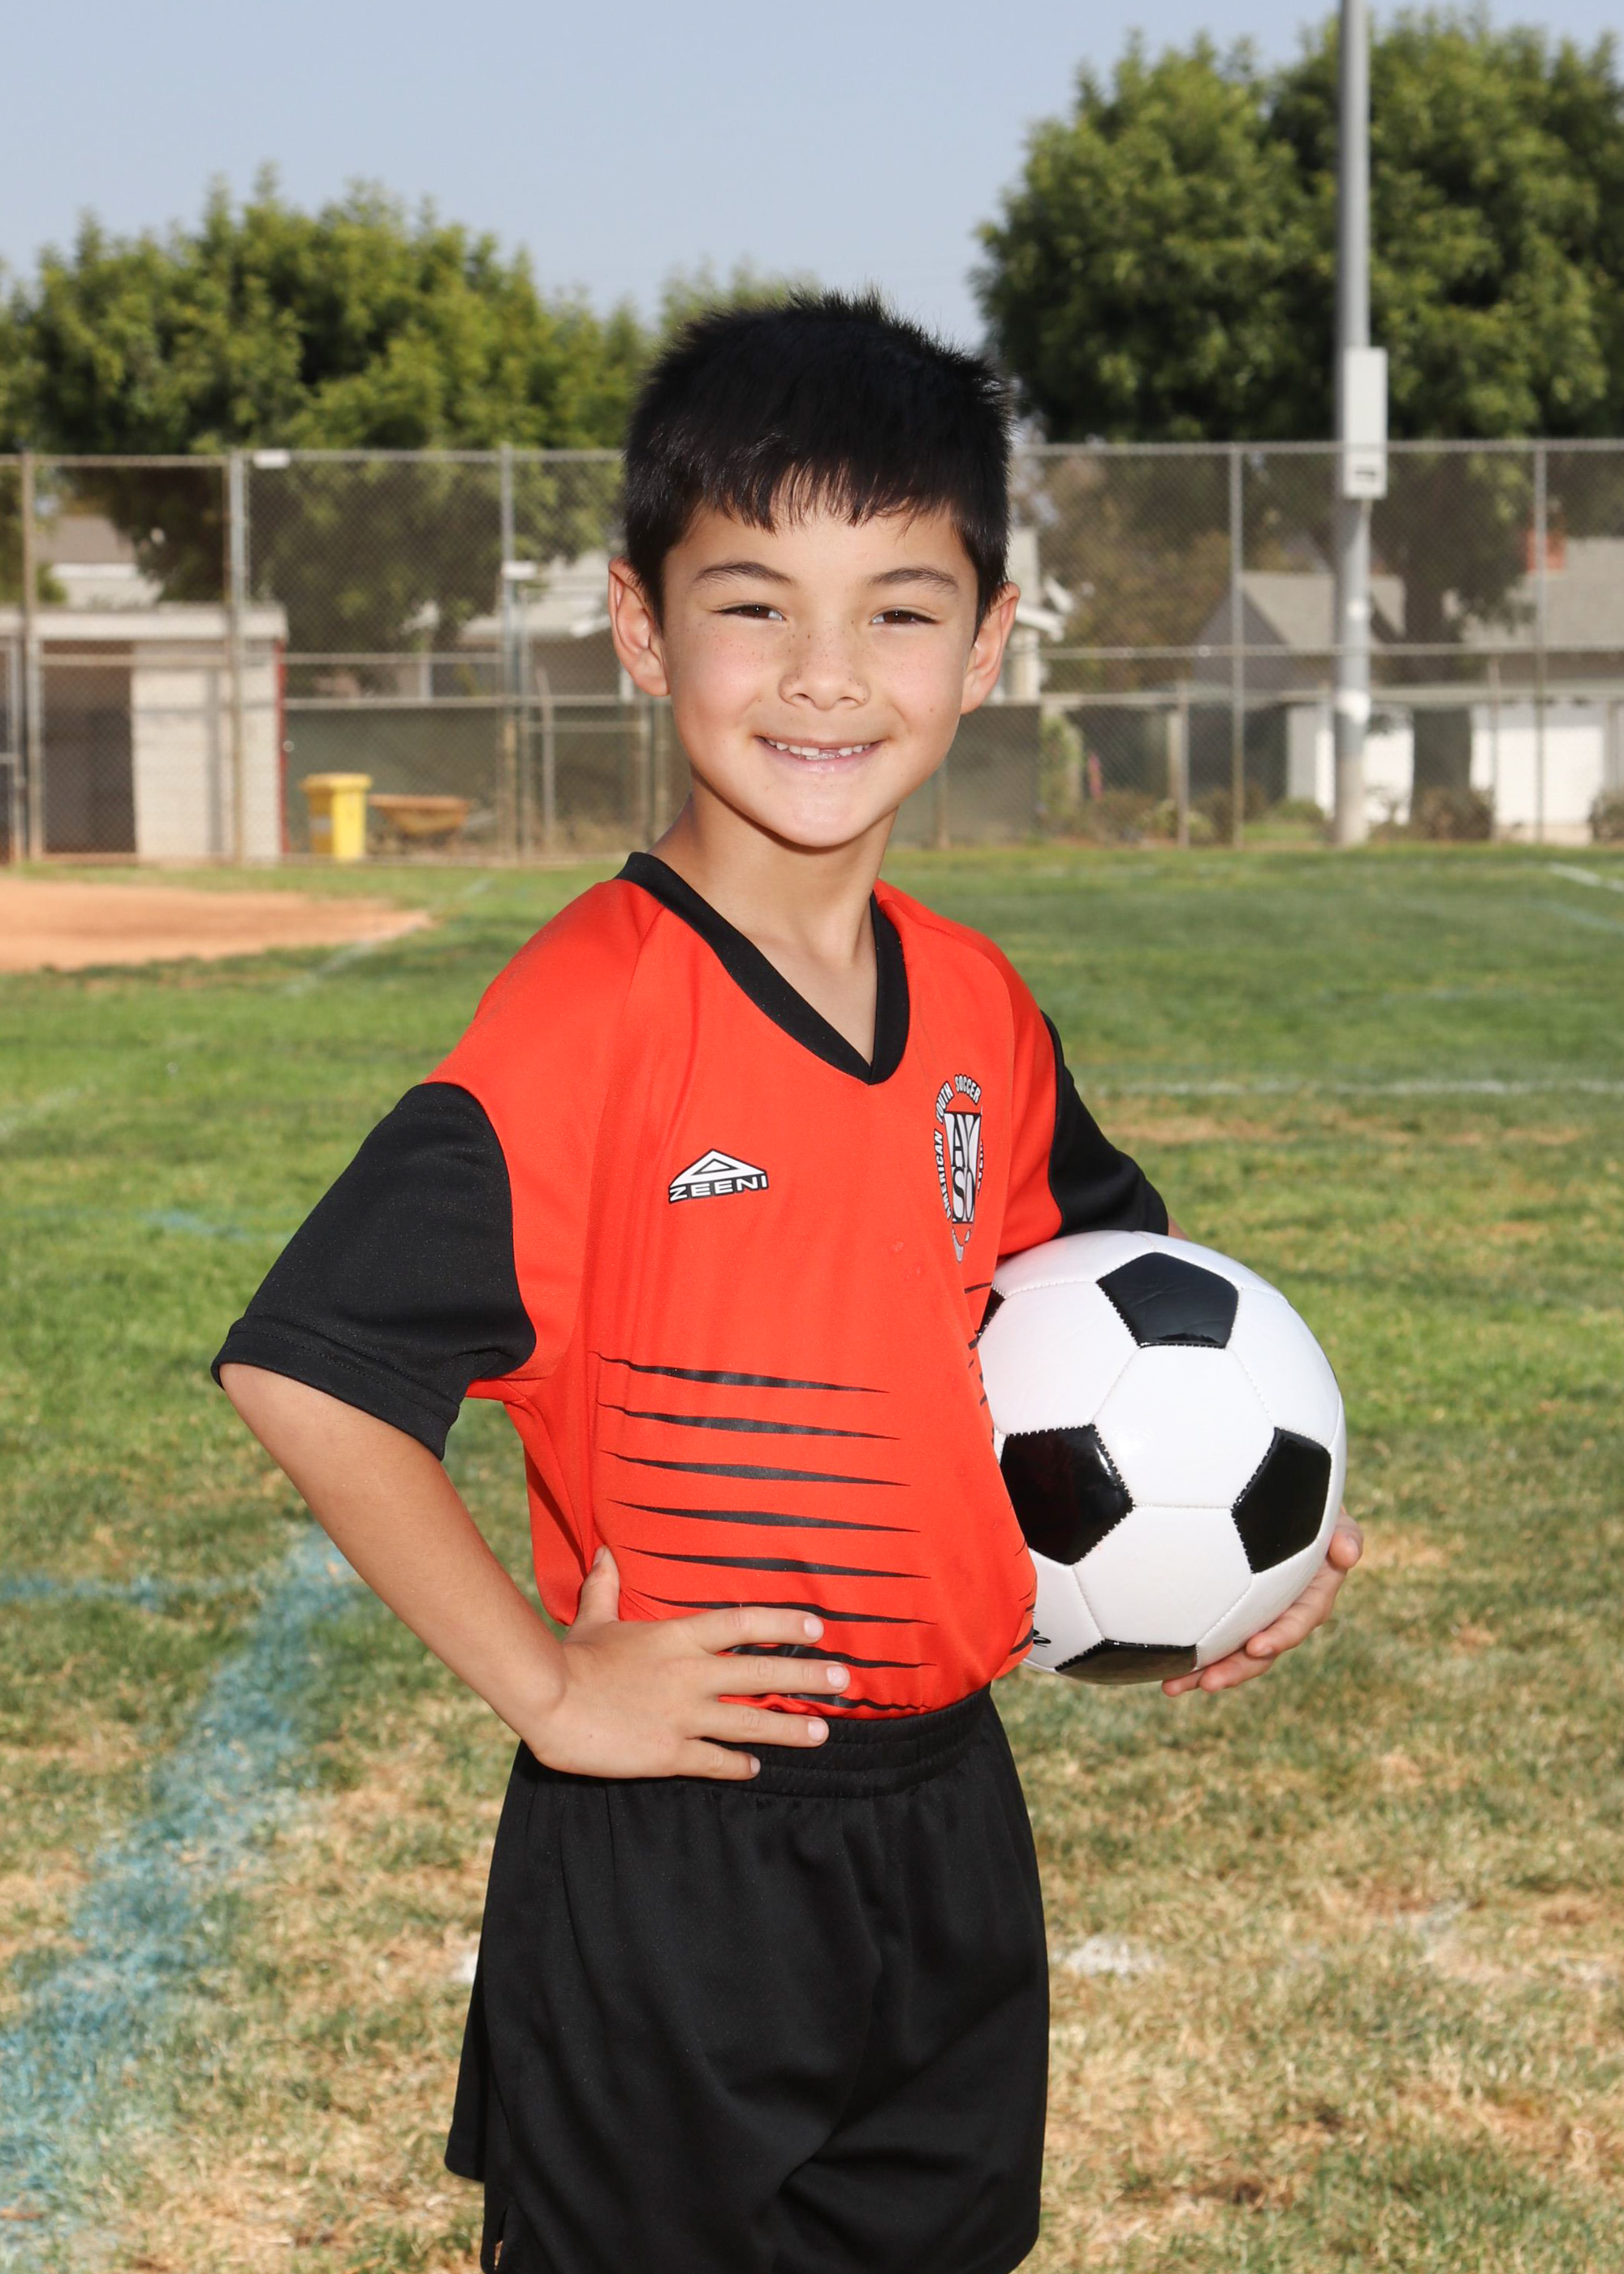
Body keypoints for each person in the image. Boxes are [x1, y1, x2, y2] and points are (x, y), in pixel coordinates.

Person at [215, 294, 1361, 2274]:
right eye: (753, 606)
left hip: (947, 1816)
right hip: (679, 1831)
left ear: (986, 645)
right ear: (641, 626)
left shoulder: (980, 1011)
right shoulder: (587, 1019)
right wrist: (548, 1682)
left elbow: (1129, 1305)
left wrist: (1259, 1556)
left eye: (899, 611)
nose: (826, 675)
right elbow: (309, 1368)